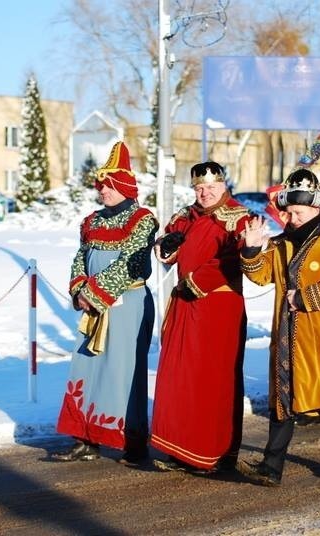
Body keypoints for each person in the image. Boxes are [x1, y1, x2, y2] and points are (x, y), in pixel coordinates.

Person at [238, 167, 320, 486]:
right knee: (283, 398)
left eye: (298, 212)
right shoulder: (281, 244)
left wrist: (304, 298)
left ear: (317, 208)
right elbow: (261, 275)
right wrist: (251, 250)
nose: (290, 219)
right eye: (288, 212)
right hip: (287, 335)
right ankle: (271, 466)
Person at [53, 141, 159, 464]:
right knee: (87, 367)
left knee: (124, 372)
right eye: (101, 187)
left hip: (128, 308)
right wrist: (79, 289)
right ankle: (85, 437)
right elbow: (80, 259)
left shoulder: (142, 220)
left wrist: (94, 294)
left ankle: (134, 442)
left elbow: (132, 263)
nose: (102, 192)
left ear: (123, 187)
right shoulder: (92, 222)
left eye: (108, 186)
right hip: (94, 306)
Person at [150, 161, 251, 474]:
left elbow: (236, 259)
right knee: (181, 378)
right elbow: (168, 248)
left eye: (211, 188)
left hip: (218, 309)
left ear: (223, 186)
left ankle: (216, 451)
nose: (205, 193)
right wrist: (165, 247)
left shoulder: (239, 217)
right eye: (199, 188)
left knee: (213, 380)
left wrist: (198, 281)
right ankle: (182, 448)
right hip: (184, 305)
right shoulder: (186, 216)